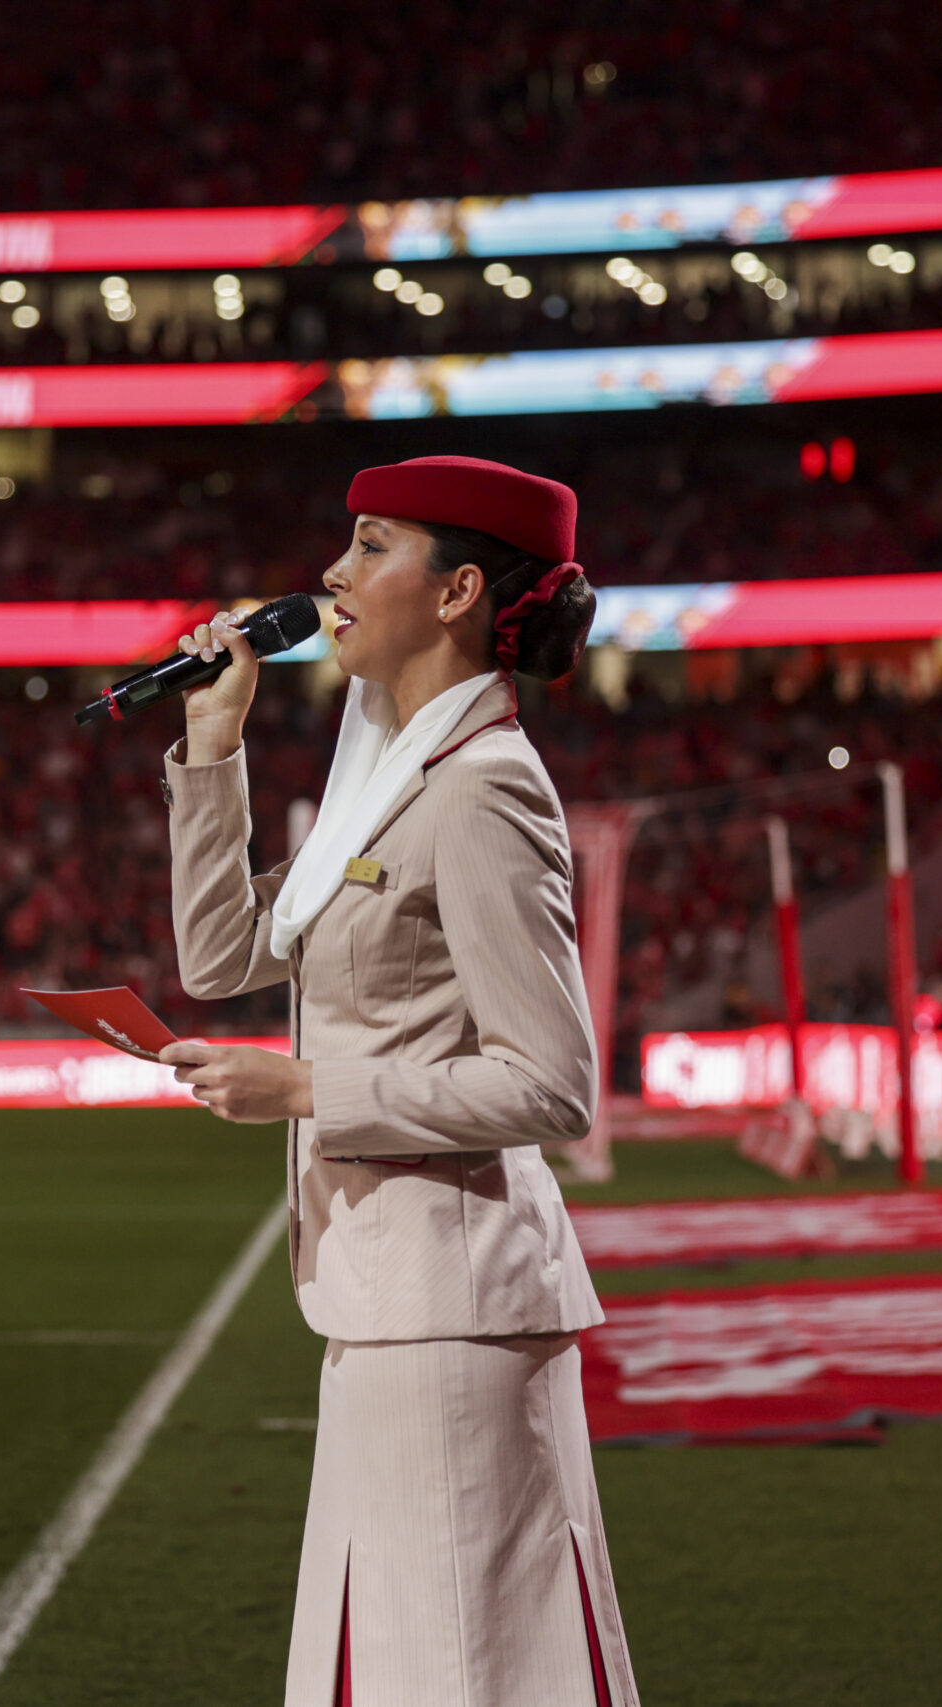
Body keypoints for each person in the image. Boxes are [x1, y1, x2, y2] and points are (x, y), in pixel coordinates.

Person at [154, 455, 633, 1707]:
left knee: (460, 1669)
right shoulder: (380, 774)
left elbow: (553, 1083)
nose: (332, 573)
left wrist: (312, 1092)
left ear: (460, 588)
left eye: (373, 546)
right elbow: (219, 961)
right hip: (390, 1299)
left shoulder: (481, 790)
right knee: (404, 1663)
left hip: (458, 1304)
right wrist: (214, 748)